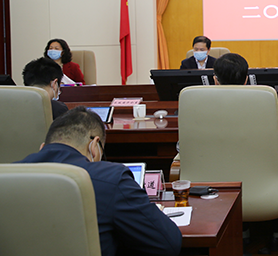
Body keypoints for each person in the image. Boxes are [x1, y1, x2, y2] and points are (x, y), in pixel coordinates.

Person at [18, 107, 182, 256]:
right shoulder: (110, 178)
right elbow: (168, 243)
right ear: (94, 146)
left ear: (42, 147)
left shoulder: (8, 175)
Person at [212, 53, 278, 254]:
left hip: (216, 194)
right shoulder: (262, 103)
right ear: (246, 79)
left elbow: (183, 148)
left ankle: (242, 236)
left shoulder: (198, 104)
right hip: (263, 193)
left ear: (215, 79)